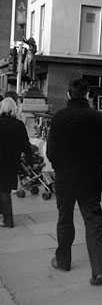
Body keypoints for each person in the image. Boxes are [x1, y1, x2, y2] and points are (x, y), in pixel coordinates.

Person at [47, 79, 102, 286]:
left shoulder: (59, 118)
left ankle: (63, 259)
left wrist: (61, 167)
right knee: (93, 222)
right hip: (90, 178)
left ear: (68, 94)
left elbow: (51, 152)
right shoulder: (100, 118)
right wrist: (94, 165)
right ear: (87, 95)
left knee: (64, 218)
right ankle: (99, 270)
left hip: (65, 178)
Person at [0, 97, 32, 228]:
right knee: (5, 190)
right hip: (12, 162)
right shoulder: (19, 125)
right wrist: (29, 162)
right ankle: (5, 218)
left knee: (2, 191)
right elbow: (26, 146)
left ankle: (8, 220)